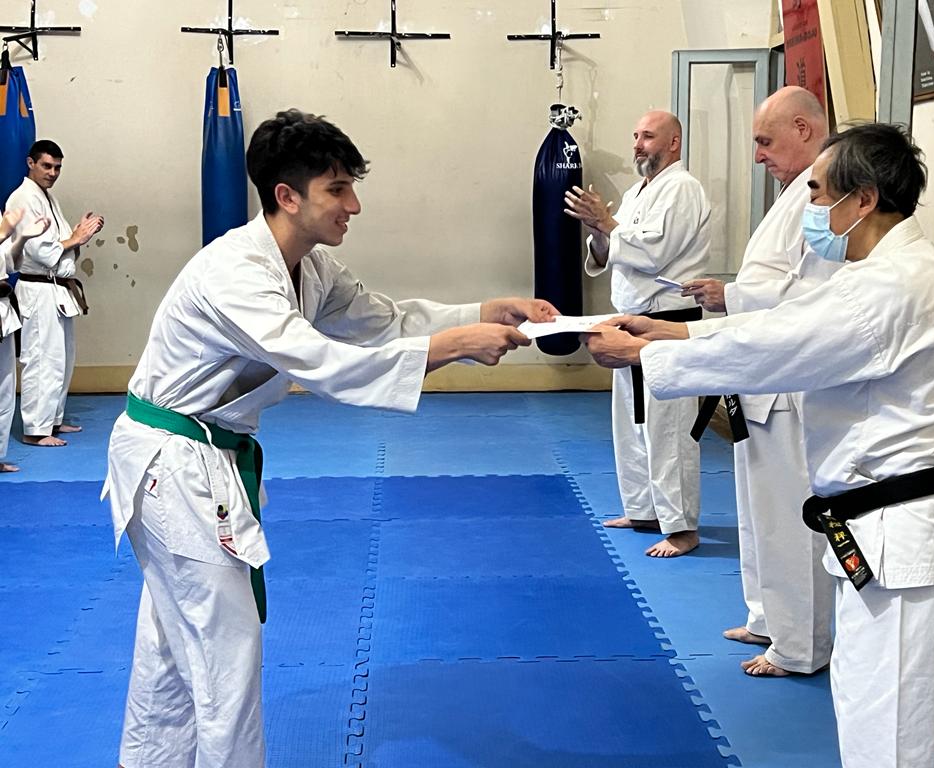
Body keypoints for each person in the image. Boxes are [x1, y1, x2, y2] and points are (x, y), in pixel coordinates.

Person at [103, 109, 555, 768]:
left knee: (173, 647)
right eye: (337, 189)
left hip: (198, 457)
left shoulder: (310, 269)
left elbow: (384, 320)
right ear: (288, 196)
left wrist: (481, 312)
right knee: (226, 654)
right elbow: (321, 363)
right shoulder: (236, 272)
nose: (354, 205)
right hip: (174, 464)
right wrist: (452, 347)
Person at [584, 122, 934, 768]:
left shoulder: (892, 285)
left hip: (900, 529)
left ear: (864, 200)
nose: (809, 207)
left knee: (889, 726)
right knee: (867, 700)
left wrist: (645, 354)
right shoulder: (880, 270)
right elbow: (789, 322)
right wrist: (669, 333)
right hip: (885, 521)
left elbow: (778, 348)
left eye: (818, 193)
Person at [681, 86, 836, 677]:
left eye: (765, 141)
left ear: (803, 128)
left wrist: (733, 295)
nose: (758, 156)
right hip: (760, 374)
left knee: (792, 519)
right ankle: (768, 616)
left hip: (791, 382)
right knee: (758, 512)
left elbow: (813, 295)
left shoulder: (826, 193)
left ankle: (801, 647)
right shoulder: (797, 192)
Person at [564, 109, 711, 557]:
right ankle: (644, 510)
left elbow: (653, 253)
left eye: (648, 136)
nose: (637, 144)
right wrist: (597, 230)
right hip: (629, 318)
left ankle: (682, 527)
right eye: (635, 136)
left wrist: (608, 225)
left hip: (669, 322)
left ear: (674, 142)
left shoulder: (683, 188)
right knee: (631, 424)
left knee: (669, 429)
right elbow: (611, 252)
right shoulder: (635, 192)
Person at [5, 139, 104, 446]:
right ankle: (35, 429)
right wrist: (75, 238)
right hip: (37, 289)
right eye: (46, 166)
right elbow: (40, 251)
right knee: (41, 359)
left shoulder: (47, 197)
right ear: (30, 163)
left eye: (57, 167)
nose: (52, 173)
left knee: (62, 359)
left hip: (57, 290)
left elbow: (61, 245)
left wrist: (78, 235)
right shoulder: (22, 198)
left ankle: (53, 421)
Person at [0, 208, 51, 472]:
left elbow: (9, 263)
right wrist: (3, 232)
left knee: (5, 388)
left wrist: (22, 238)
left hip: (2, 309)